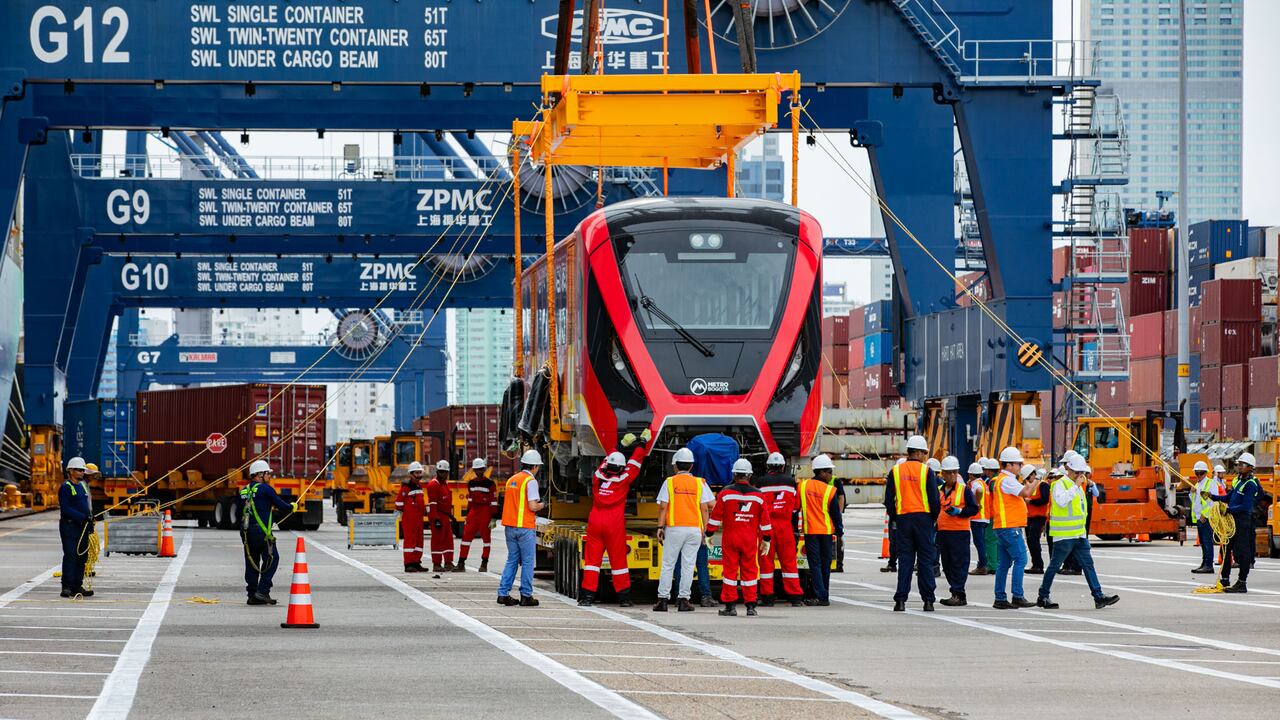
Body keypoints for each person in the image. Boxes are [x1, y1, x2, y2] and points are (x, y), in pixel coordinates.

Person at [579, 429, 651, 607]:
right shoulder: (624, 478)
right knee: (618, 561)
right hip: (614, 523)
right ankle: (624, 598)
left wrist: (619, 446)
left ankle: (587, 597)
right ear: (621, 467)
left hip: (595, 520)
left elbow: (605, 462)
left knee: (592, 562)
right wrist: (642, 444)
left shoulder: (598, 477)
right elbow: (635, 463)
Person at [1036, 458, 1120, 609]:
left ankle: (1098, 596)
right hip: (1064, 535)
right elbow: (1061, 502)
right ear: (1068, 469)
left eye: (1082, 472)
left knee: (1088, 565)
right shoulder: (1059, 484)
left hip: (1079, 535)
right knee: (1055, 565)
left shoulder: (1079, 486)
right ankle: (1043, 596)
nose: (1080, 475)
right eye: (1077, 472)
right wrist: (1075, 486)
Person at [883, 436, 942, 612]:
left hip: (903, 519)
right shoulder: (926, 471)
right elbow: (934, 500)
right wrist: (932, 518)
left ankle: (900, 600)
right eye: (924, 452)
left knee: (906, 561)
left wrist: (896, 517)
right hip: (923, 519)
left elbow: (888, 500)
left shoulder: (896, 471)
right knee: (925, 561)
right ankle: (928, 601)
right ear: (918, 452)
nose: (925, 456)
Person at [707, 459, 772, 617]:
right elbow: (765, 521)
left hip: (730, 539)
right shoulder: (759, 495)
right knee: (750, 572)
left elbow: (715, 517)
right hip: (750, 540)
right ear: (749, 475)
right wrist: (767, 539)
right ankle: (751, 606)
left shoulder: (725, 493)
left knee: (729, 572)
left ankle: (730, 607)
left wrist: (709, 534)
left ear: (734, 474)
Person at [653, 447, 714, 612]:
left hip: (674, 528)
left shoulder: (669, 482)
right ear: (691, 466)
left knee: (668, 564)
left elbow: (663, 507)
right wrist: (706, 530)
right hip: (694, 529)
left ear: (675, 466)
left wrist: (660, 527)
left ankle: (663, 600)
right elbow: (707, 507)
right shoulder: (700, 483)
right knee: (688, 565)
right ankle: (683, 600)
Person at [239, 460, 297, 606]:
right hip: (262, 532)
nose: (269, 476)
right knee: (272, 559)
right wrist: (292, 507)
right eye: (267, 473)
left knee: (251, 562)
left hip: (246, 533)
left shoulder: (244, 491)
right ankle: (263, 591)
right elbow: (281, 506)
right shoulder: (266, 489)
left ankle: (252, 594)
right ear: (260, 474)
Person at [990, 447, 1041, 610]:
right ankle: (1017, 596)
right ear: (1009, 465)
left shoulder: (1001, 479)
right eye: (1018, 464)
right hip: (1010, 527)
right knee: (1021, 559)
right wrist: (1036, 481)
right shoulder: (1008, 480)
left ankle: (1000, 597)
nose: (1020, 467)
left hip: (1003, 526)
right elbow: (1026, 492)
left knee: (1004, 563)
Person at [497, 450, 546, 606]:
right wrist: (543, 505)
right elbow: (532, 506)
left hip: (510, 528)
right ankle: (526, 595)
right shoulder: (530, 481)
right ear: (535, 466)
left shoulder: (512, 479)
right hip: (525, 527)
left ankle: (503, 594)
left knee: (511, 560)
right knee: (527, 562)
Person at [1208, 452, 1261, 593]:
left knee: (1243, 552)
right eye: (1238, 464)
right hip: (1232, 519)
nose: (1239, 467)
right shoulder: (1238, 481)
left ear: (1250, 468)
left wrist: (1229, 510)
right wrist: (1212, 497)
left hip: (1243, 521)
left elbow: (1246, 506)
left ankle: (1242, 582)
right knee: (1225, 549)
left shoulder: (1251, 484)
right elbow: (1228, 497)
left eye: (1242, 465)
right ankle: (1225, 579)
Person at [757, 452, 804, 607]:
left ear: (768, 465)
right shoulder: (791, 483)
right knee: (789, 562)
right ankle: (795, 597)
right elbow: (796, 507)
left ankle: (767, 597)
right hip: (785, 526)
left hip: (766, 528)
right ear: (783, 466)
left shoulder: (761, 483)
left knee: (766, 563)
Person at [799, 454, 844, 606]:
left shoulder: (803, 486)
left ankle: (821, 596)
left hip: (811, 531)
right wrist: (840, 531)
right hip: (826, 532)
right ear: (822, 472)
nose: (831, 475)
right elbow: (835, 514)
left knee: (815, 564)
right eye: (830, 472)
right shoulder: (830, 490)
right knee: (825, 564)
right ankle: (824, 595)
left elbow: (795, 508)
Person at [937, 456, 978, 606]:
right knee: (947, 563)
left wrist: (960, 511)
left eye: (954, 472)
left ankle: (959, 593)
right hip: (943, 531)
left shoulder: (964, 490)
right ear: (943, 474)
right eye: (949, 473)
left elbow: (973, 509)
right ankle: (955, 591)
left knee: (959, 563)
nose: (952, 475)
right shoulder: (939, 490)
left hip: (959, 532)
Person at [59, 457, 95, 599]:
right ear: (70, 471)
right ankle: (66, 586)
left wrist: (90, 521)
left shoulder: (82, 486)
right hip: (69, 526)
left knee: (82, 556)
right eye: (79, 470)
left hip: (83, 526)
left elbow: (87, 506)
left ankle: (77, 585)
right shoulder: (66, 487)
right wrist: (82, 517)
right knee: (71, 555)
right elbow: (65, 508)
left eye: (82, 470)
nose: (82, 473)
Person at [457, 457, 498, 573]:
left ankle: (484, 564)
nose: (478, 472)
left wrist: (493, 517)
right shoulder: (471, 483)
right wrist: (468, 514)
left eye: (480, 469)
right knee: (465, 538)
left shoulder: (490, 484)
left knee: (486, 540)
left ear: (484, 469)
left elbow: (493, 501)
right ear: (474, 470)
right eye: (476, 470)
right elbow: (470, 499)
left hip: (485, 513)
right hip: (474, 512)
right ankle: (461, 563)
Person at [1181, 460, 1222, 574]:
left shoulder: (1211, 483)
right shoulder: (1197, 484)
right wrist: (1192, 493)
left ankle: (1209, 565)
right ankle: (1204, 563)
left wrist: (1206, 514)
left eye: (1201, 473)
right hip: (1199, 518)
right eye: (1197, 473)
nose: (1198, 475)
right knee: (1203, 542)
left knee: (1207, 541)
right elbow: (1195, 501)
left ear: (1205, 473)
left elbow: (1213, 501)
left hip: (1206, 518)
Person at [394, 461, 427, 572]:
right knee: (410, 541)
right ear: (411, 474)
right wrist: (407, 511)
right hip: (409, 519)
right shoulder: (406, 487)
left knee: (418, 542)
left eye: (419, 472)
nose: (419, 475)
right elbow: (398, 503)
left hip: (418, 519)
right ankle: (408, 564)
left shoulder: (418, 486)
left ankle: (416, 562)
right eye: (416, 473)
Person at [426, 460, 456, 572]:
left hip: (445, 516)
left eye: (445, 472)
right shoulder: (433, 485)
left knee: (448, 539)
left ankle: (448, 562)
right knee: (437, 540)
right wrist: (435, 519)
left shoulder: (444, 484)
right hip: (438, 515)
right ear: (437, 472)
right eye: (441, 472)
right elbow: (432, 503)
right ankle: (437, 564)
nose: (443, 474)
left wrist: (451, 516)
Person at [1024, 465, 1051, 574]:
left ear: (1033, 474)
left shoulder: (1042, 485)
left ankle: (1038, 565)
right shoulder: (1028, 486)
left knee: (1033, 540)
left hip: (1039, 516)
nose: (1027, 480)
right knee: (1030, 541)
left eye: (1027, 477)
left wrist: (1031, 502)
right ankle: (1035, 564)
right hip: (1029, 517)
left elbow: (1044, 500)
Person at [967, 462, 992, 575]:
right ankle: (983, 563)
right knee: (981, 542)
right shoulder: (983, 483)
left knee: (979, 543)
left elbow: (978, 492)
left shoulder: (975, 484)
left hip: (977, 518)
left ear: (971, 474)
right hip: (984, 517)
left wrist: (976, 502)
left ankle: (982, 565)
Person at [980, 456, 1001, 574]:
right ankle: (997, 563)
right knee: (996, 540)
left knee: (990, 540)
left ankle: (993, 565)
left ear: (989, 470)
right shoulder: (998, 480)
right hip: (997, 515)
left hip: (993, 515)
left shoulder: (993, 482)